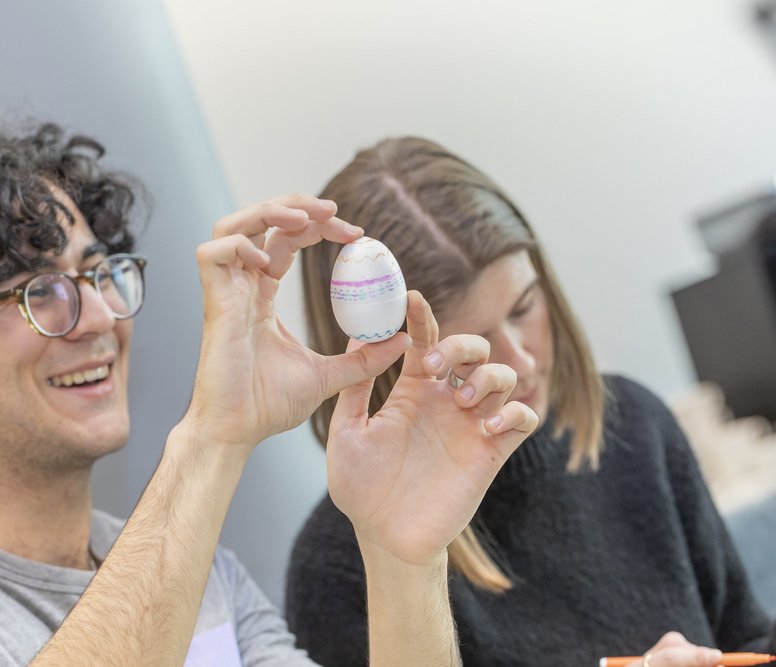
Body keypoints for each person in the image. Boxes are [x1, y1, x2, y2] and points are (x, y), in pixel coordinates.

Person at [0, 119, 538, 666]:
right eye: (40, 292)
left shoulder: (208, 579)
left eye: (98, 273)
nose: (103, 316)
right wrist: (213, 433)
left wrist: (403, 555)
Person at [287, 136, 776, 667]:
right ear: (387, 371)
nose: (519, 362)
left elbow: (747, 643)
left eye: (524, 307)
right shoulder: (338, 570)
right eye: (473, 345)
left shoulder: (635, 424)